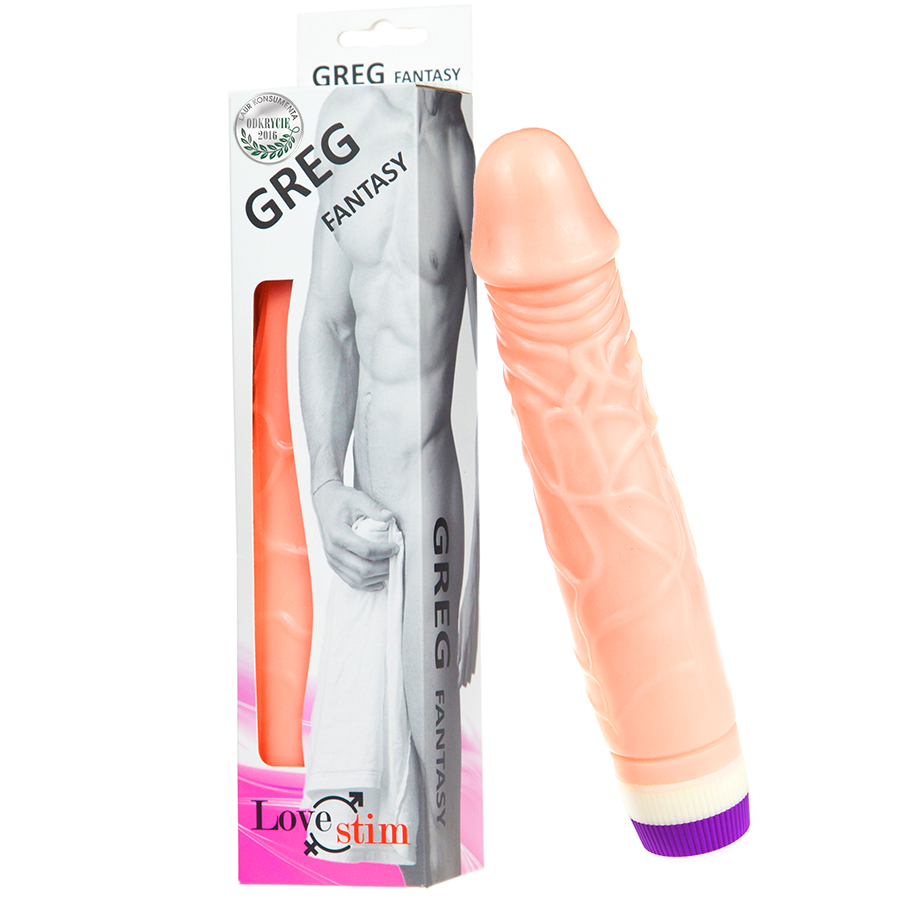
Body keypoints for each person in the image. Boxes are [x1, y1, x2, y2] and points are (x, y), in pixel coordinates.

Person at [298, 85, 477, 885]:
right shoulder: (344, 122)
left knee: (433, 815)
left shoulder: (467, 139)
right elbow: (327, 320)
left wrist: (480, 571)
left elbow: (507, 363)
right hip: (362, 515)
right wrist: (324, 484)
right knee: (377, 811)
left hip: (430, 495)